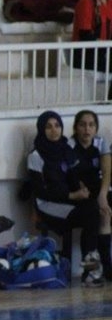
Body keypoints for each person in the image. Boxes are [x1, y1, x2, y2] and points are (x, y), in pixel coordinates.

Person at [28, 110, 103, 287]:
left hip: (68, 200)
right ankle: (91, 271)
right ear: (41, 129)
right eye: (48, 127)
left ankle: (90, 268)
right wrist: (71, 195)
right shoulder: (35, 156)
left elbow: (74, 174)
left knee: (93, 209)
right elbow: (40, 191)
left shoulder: (65, 148)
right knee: (89, 215)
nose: (54, 131)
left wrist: (82, 189)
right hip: (48, 204)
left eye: (57, 126)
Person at [69, 109, 112, 280]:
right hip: (79, 193)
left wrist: (102, 194)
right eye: (83, 125)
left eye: (91, 125)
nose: (87, 129)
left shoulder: (101, 143)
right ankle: (90, 269)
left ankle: (106, 265)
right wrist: (80, 191)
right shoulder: (69, 146)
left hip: (97, 190)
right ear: (76, 127)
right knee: (94, 213)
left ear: (96, 128)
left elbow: (107, 172)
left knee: (105, 212)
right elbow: (70, 175)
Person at [71, 0, 112, 98]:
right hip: (86, 54)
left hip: (104, 52)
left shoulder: (109, 3)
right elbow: (85, 35)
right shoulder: (86, 2)